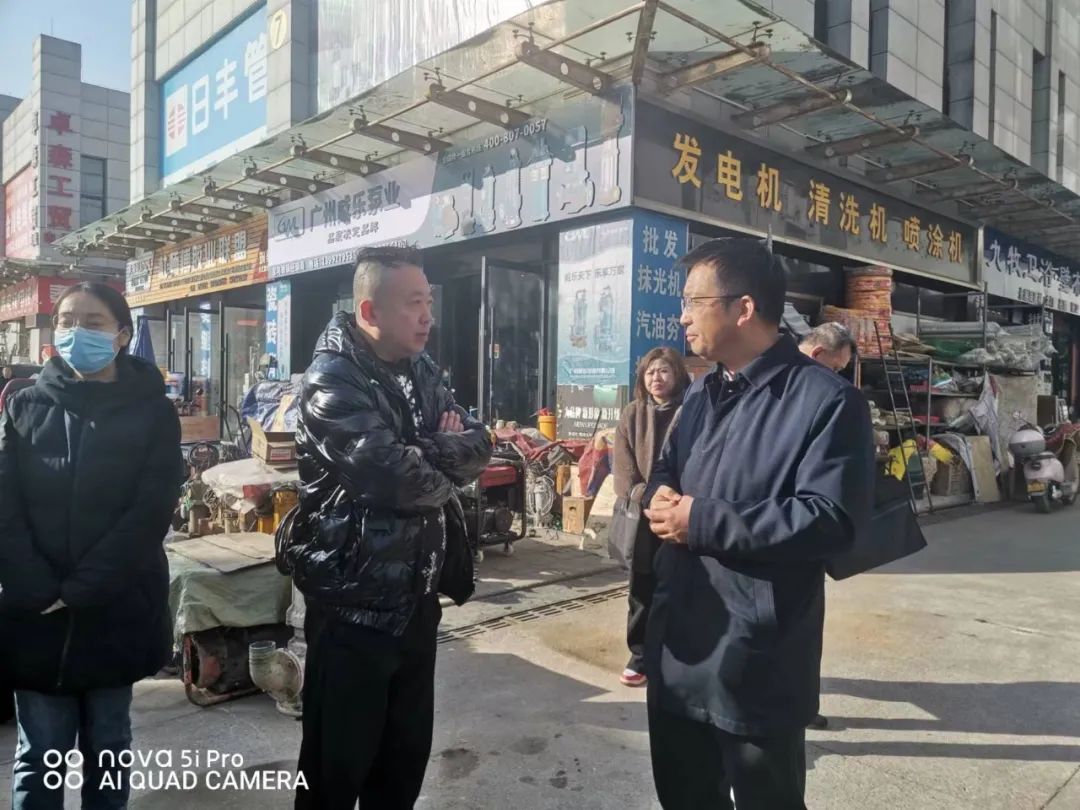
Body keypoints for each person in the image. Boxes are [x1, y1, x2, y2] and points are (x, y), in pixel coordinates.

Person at [642, 238, 874, 809]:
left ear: (743, 308)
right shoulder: (702, 391)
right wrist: (660, 496)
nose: (682, 316)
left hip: (757, 657)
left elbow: (831, 519)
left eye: (693, 301)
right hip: (681, 644)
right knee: (684, 797)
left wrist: (701, 519)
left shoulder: (827, 401)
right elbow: (667, 469)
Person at [284, 246, 493, 809]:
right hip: (353, 604)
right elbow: (393, 478)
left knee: (402, 765)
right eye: (414, 304)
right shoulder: (332, 379)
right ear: (370, 312)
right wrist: (439, 451)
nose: (428, 317)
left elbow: (480, 443)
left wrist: (427, 449)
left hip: (417, 598)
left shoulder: (421, 369)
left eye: (429, 303)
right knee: (333, 771)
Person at [0, 282, 184, 810]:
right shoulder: (24, 404)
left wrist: (81, 588)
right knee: (40, 755)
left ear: (122, 334)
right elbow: (5, 503)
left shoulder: (152, 412)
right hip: (36, 614)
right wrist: (33, 583)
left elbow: (149, 513)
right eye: (67, 320)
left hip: (114, 608)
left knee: (108, 747)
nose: (76, 331)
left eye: (94, 322)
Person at [612, 347, 691, 688]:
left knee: (681, 586)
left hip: (682, 512)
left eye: (664, 371)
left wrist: (677, 501)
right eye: (650, 372)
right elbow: (623, 470)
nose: (656, 378)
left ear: (677, 375)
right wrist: (646, 496)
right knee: (642, 588)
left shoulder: (693, 409)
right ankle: (640, 654)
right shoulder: (632, 413)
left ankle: (678, 655)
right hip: (643, 516)